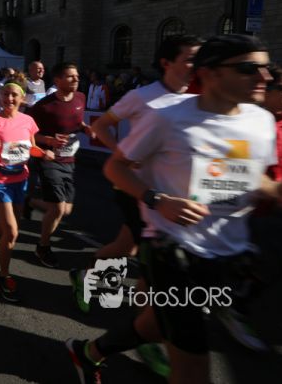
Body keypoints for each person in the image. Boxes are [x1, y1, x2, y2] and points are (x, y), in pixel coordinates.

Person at [68, 34, 281, 384]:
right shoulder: (159, 110)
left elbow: (245, 173)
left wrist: (275, 190)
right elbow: (112, 154)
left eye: (267, 69)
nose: (265, 77)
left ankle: (90, 351)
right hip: (168, 238)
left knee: (154, 319)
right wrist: (153, 194)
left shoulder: (259, 120)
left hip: (223, 251)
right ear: (210, 73)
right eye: (249, 68)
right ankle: (90, 280)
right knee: (190, 363)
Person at [70, 35, 203, 312]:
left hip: (172, 191)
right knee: (150, 252)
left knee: (128, 246)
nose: (197, 65)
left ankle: (87, 278)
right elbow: (101, 125)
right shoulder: (140, 96)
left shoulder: (197, 99)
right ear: (166, 63)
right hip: (135, 186)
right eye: (190, 59)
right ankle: (147, 322)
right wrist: (122, 155)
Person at [0, 82, 53, 302]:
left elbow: (30, 148)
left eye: (14, 95)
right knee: (11, 231)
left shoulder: (28, 121)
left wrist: (44, 153)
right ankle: (3, 276)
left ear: (22, 98)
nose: (9, 99)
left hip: (21, 179)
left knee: (12, 225)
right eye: (5, 94)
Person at [27, 62, 94, 268]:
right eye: (70, 76)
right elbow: (28, 132)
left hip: (69, 160)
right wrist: (48, 140)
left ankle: (30, 202)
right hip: (48, 159)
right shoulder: (43, 106)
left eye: (77, 76)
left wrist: (85, 128)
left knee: (66, 210)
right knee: (57, 209)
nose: (76, 79)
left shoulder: (80, 98)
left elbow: (76, 122)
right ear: (57, 80)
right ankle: (43, 246)